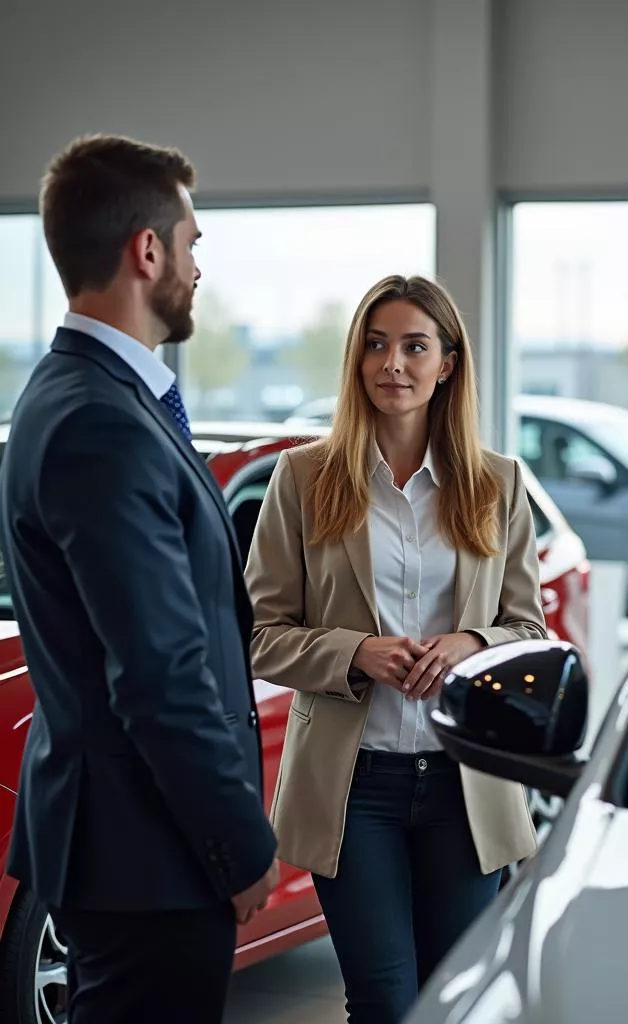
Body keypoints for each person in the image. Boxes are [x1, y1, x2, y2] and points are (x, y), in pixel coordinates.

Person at [0, 135, 278, 1024]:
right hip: (148, 857)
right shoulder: (101, 423)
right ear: (146, 250)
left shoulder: (71, 395)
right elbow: (160, 675)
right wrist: (237, 844)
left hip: (122, 845)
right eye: (191, 243)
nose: (198, 267)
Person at [246, 274, 545, 1023]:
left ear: (447, 363)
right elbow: (260, 634)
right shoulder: (304, 479)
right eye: (376, 345)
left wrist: (471, 643)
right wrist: (355, 653)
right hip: (353, 790)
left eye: (415, 346)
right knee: (382, 999)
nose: (392, 364)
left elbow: (530, 632)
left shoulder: (498, 485)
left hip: (462, 785)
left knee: (451, 999)